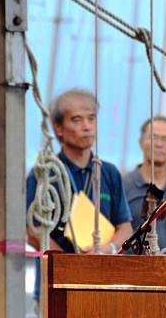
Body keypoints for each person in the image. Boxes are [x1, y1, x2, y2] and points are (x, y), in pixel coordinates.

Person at [26, 89, 133, 299]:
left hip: (103, 284)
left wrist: (107, 249)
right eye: (77, 120)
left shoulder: (108, 172)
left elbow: (125, 228)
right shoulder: (44, 173)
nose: (87, 126)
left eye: (91, 119)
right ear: (58, 128)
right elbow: (33, 231)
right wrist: (69, 263)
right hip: (55, 285)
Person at [123, 116, 166, 255]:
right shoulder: (123, 185)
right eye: (153, 137)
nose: (159, 144)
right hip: (129, 273)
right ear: (141, 142)